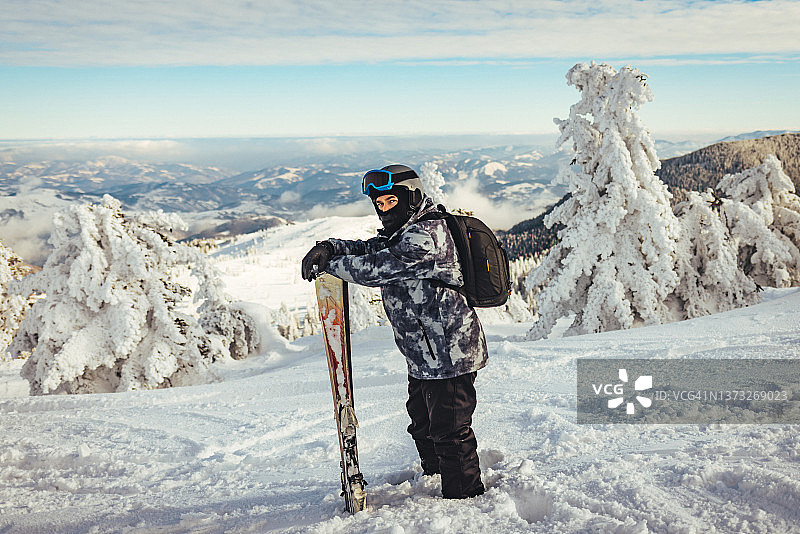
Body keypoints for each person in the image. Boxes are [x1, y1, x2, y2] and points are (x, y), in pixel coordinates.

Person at [301, 164, 487, 499]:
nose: (385, 209)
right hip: (424, 354)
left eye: (391, 201)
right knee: (422, 422)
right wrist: (331, 247)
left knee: (450, 430)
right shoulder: (404, 231)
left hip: (449, 352)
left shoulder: (426, 236)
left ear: (411, 197)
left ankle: (465, 498)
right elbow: (371, 249)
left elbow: (375, 268)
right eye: (380, 204)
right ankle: (435, 475)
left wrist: (329, 265)